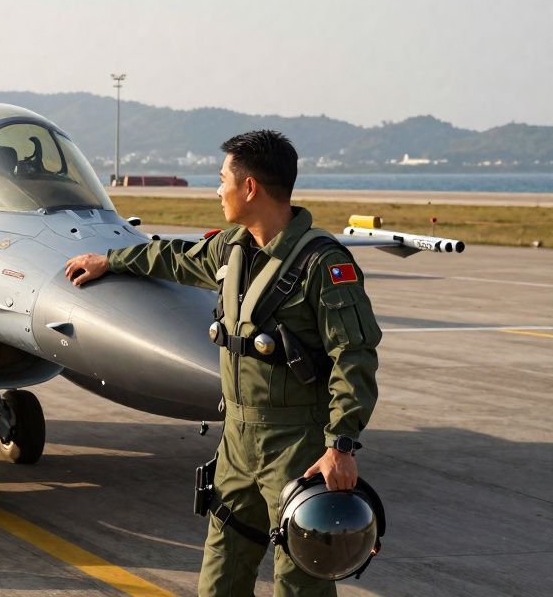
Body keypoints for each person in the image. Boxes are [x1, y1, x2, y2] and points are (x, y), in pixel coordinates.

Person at [63, 130, 380, 597]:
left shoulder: (323, 264)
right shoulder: (231, 248)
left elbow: (354, 356)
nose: (216, 190)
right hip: (236, 443)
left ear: (249, 188)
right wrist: (110, 261)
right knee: (219, 578)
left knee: (299, 586)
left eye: (222, 179)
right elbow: (172, 256)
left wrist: (341, 444)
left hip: (297, 448)